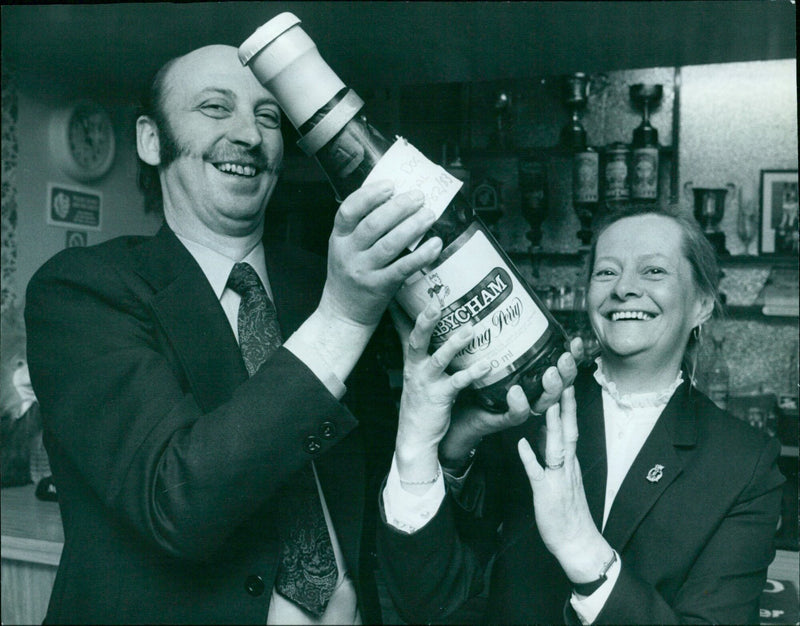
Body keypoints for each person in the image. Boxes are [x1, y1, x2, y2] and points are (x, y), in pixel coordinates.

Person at [24, 44, 445, 625]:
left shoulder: (323, 283)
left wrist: (455, 444)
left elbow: (373, 485)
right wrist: (343, 317)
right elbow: (175, 499)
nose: (249, 134)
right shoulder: (81, 291)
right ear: (152, 140)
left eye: (269, 116)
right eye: (215, 108)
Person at [378, 204, 785, 624]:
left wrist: (584, 550)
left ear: (701, 304)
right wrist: (422, 447)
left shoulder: (744, 462)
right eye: (606, 272)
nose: (624, 288)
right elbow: (427, 599)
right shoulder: (526, 411)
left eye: (654, 271)